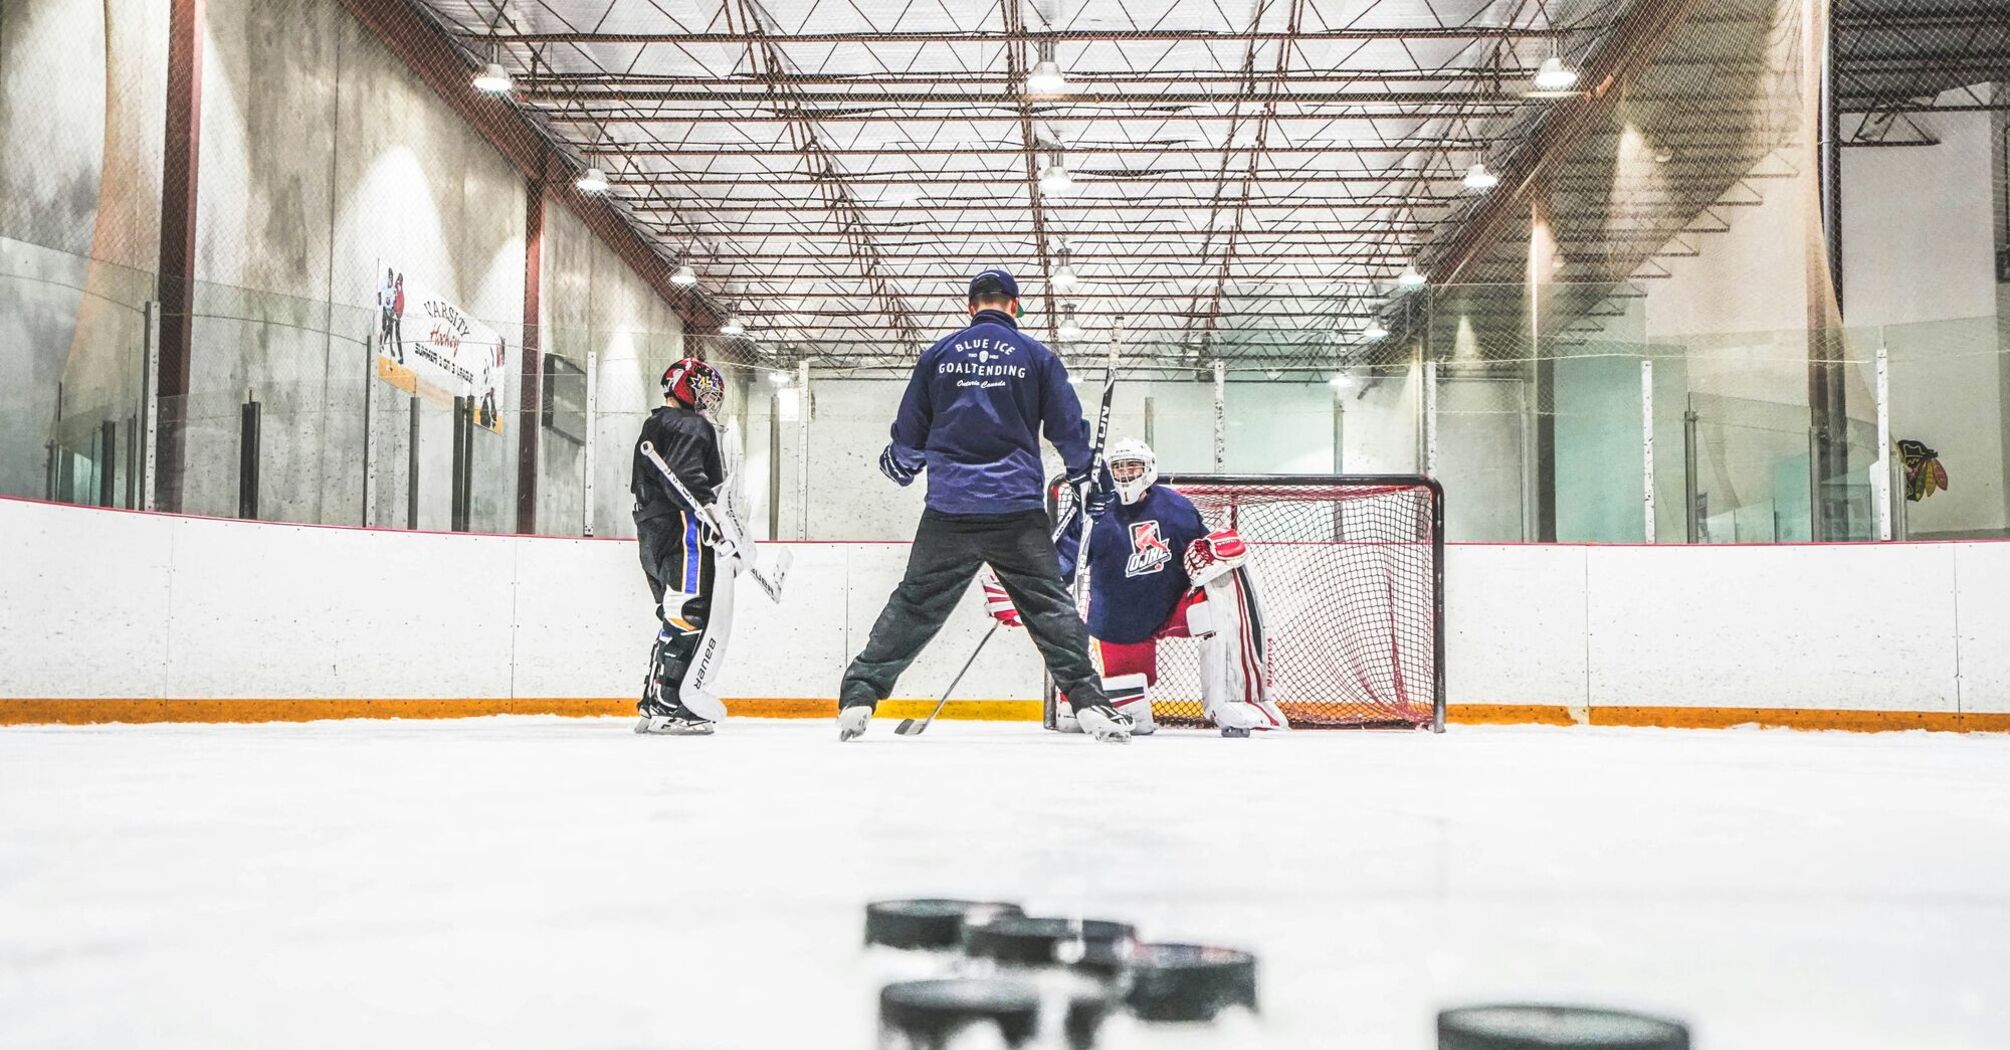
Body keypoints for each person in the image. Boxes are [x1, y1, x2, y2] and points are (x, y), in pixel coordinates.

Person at [837, 268, 1132, 744]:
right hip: (1015, 509)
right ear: (1014, 306)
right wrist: (1088, 478)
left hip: (950, 509)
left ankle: (858, 697)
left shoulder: (939, 354)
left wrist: (902, 461)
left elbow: (911, 430)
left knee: (914, 606)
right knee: (1051, 608)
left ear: (971, 306)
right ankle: (1091, 704)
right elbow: (1068, 430)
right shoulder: (1037, 356)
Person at [998, 437, 1287, 736]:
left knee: (1225, 596)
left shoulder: (1177, 508)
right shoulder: (1093, 511)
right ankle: (1088, 703)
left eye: (1132, 467)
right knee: (1128, 713)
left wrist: (1214, 553)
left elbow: (1204, 557)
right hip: (1120, 621)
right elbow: (1064, 563)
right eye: (1119, 469)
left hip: (1174, 605)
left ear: (1148, 469)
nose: (1125, 475)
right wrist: (1024, 589)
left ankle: (1238, 701)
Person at [630, 357, 734, 736]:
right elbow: (687, 478)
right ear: (685, 387)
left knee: (673, 615)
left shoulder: (658, 422)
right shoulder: (692, 424)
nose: (708, 400)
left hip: (653, 532)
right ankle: (673, 705)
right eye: (703, 390)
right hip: (684, 530)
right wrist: (716, 516)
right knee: (688, 614)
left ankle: (655, 703)